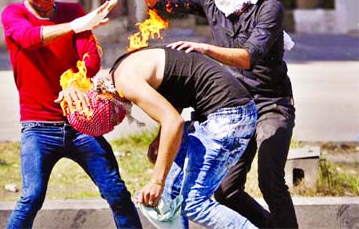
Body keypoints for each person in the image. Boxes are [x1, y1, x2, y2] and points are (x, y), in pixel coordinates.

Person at [128, 0, 298, 229]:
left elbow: (247, 58)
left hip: (272, 106)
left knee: (270, 180)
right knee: (226, 189)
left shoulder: (269, 8)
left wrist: (205, 49)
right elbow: (159, 2)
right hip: (235, 108)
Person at [1, 0, 142, 229]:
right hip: (38, 128)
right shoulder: (13, 14)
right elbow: (29, 38)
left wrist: (76, 81)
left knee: (117, 193)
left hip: (81, 125)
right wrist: (75, 26)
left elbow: (91, 57)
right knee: (31, 197)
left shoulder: (72, 11)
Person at [105, 46, 258, 228]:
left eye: (115, 116)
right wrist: (161, 138)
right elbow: (176, 86)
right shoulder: (122, 67)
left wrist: (156, 181)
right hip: (218, 114)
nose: (122, 116)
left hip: (228, 116)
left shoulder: (125, 81)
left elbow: (173, 122)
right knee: (168, 198)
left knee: (193, 204)